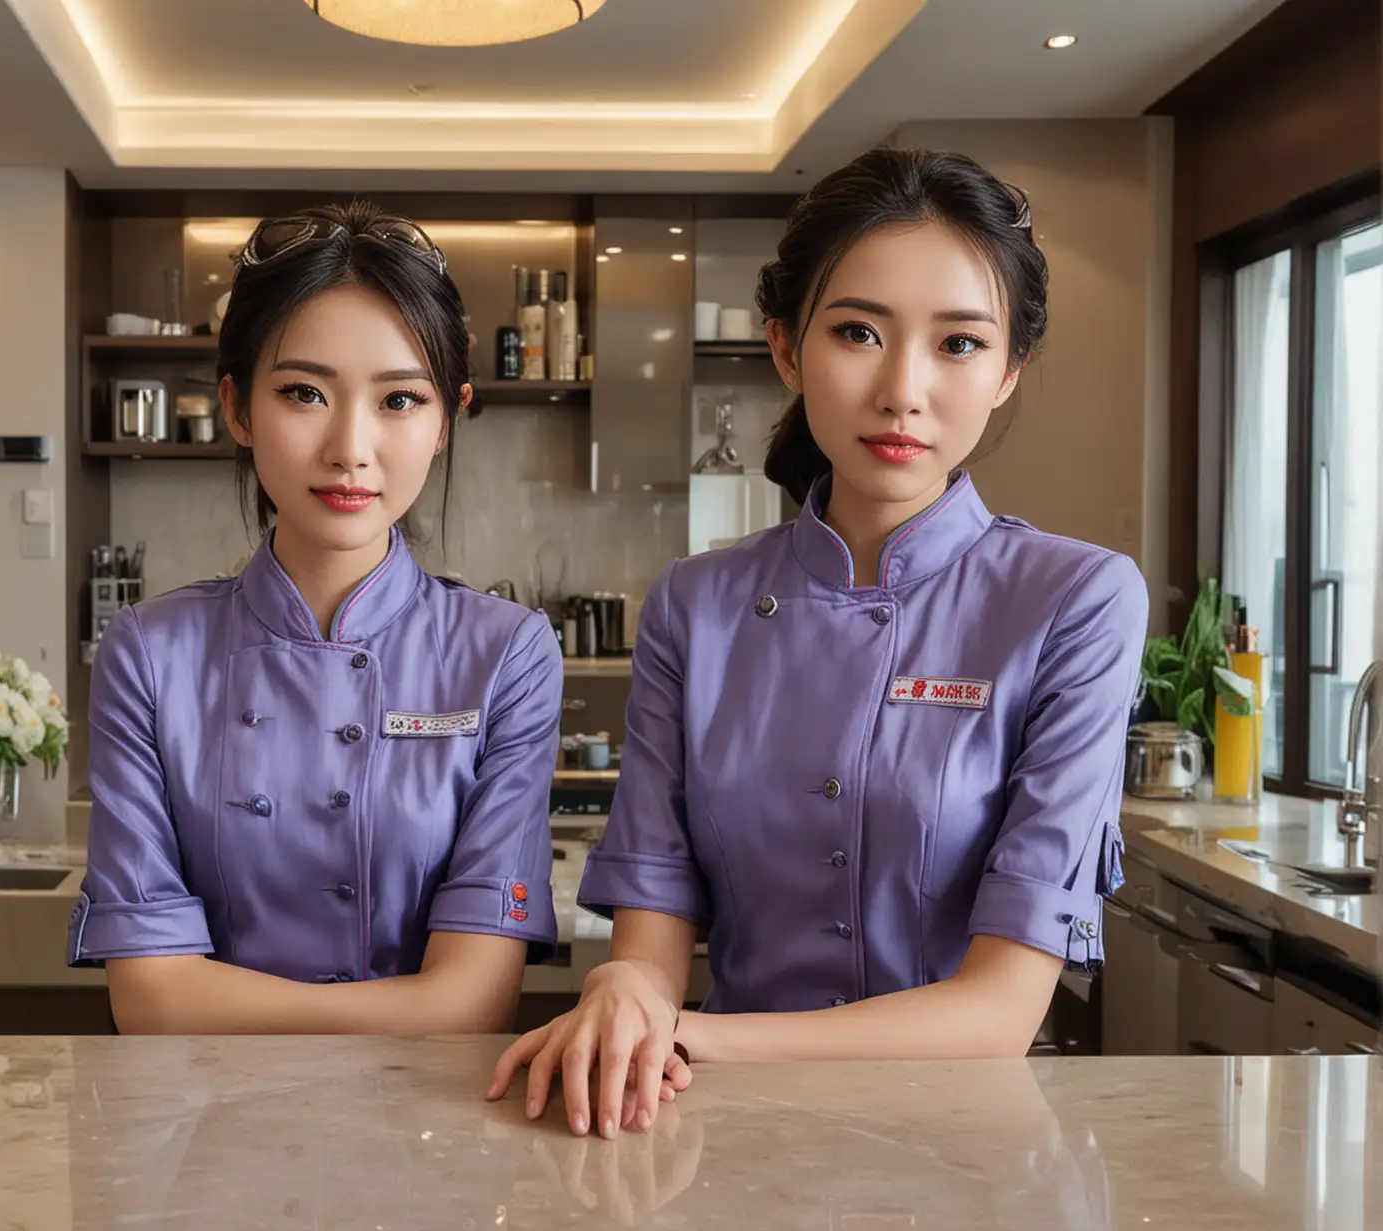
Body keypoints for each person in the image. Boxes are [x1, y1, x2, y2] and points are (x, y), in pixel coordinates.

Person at [489, 148, 1149, 1136]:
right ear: (788, 352)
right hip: (726, 1138)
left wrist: (683, 1034)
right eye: (856, 332)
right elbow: (652, 929)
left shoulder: (1076, 600)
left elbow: (1000, 1011)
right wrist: (630, 990)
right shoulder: (694, 605)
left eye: (959, 345)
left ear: (1011, 370)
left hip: (968, 1148)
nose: (903, 389)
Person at [69, 203, 562, 1035]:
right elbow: (149, 1001)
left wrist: (219, 1000)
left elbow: (474, 1001)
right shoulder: (150, 653)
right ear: (235, 407)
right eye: (303, 392)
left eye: (400, 400)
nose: (350, 447)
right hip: (203, 1137)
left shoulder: (506, 653)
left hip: (429, 1135)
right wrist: (406, 1008)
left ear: (448, 419)